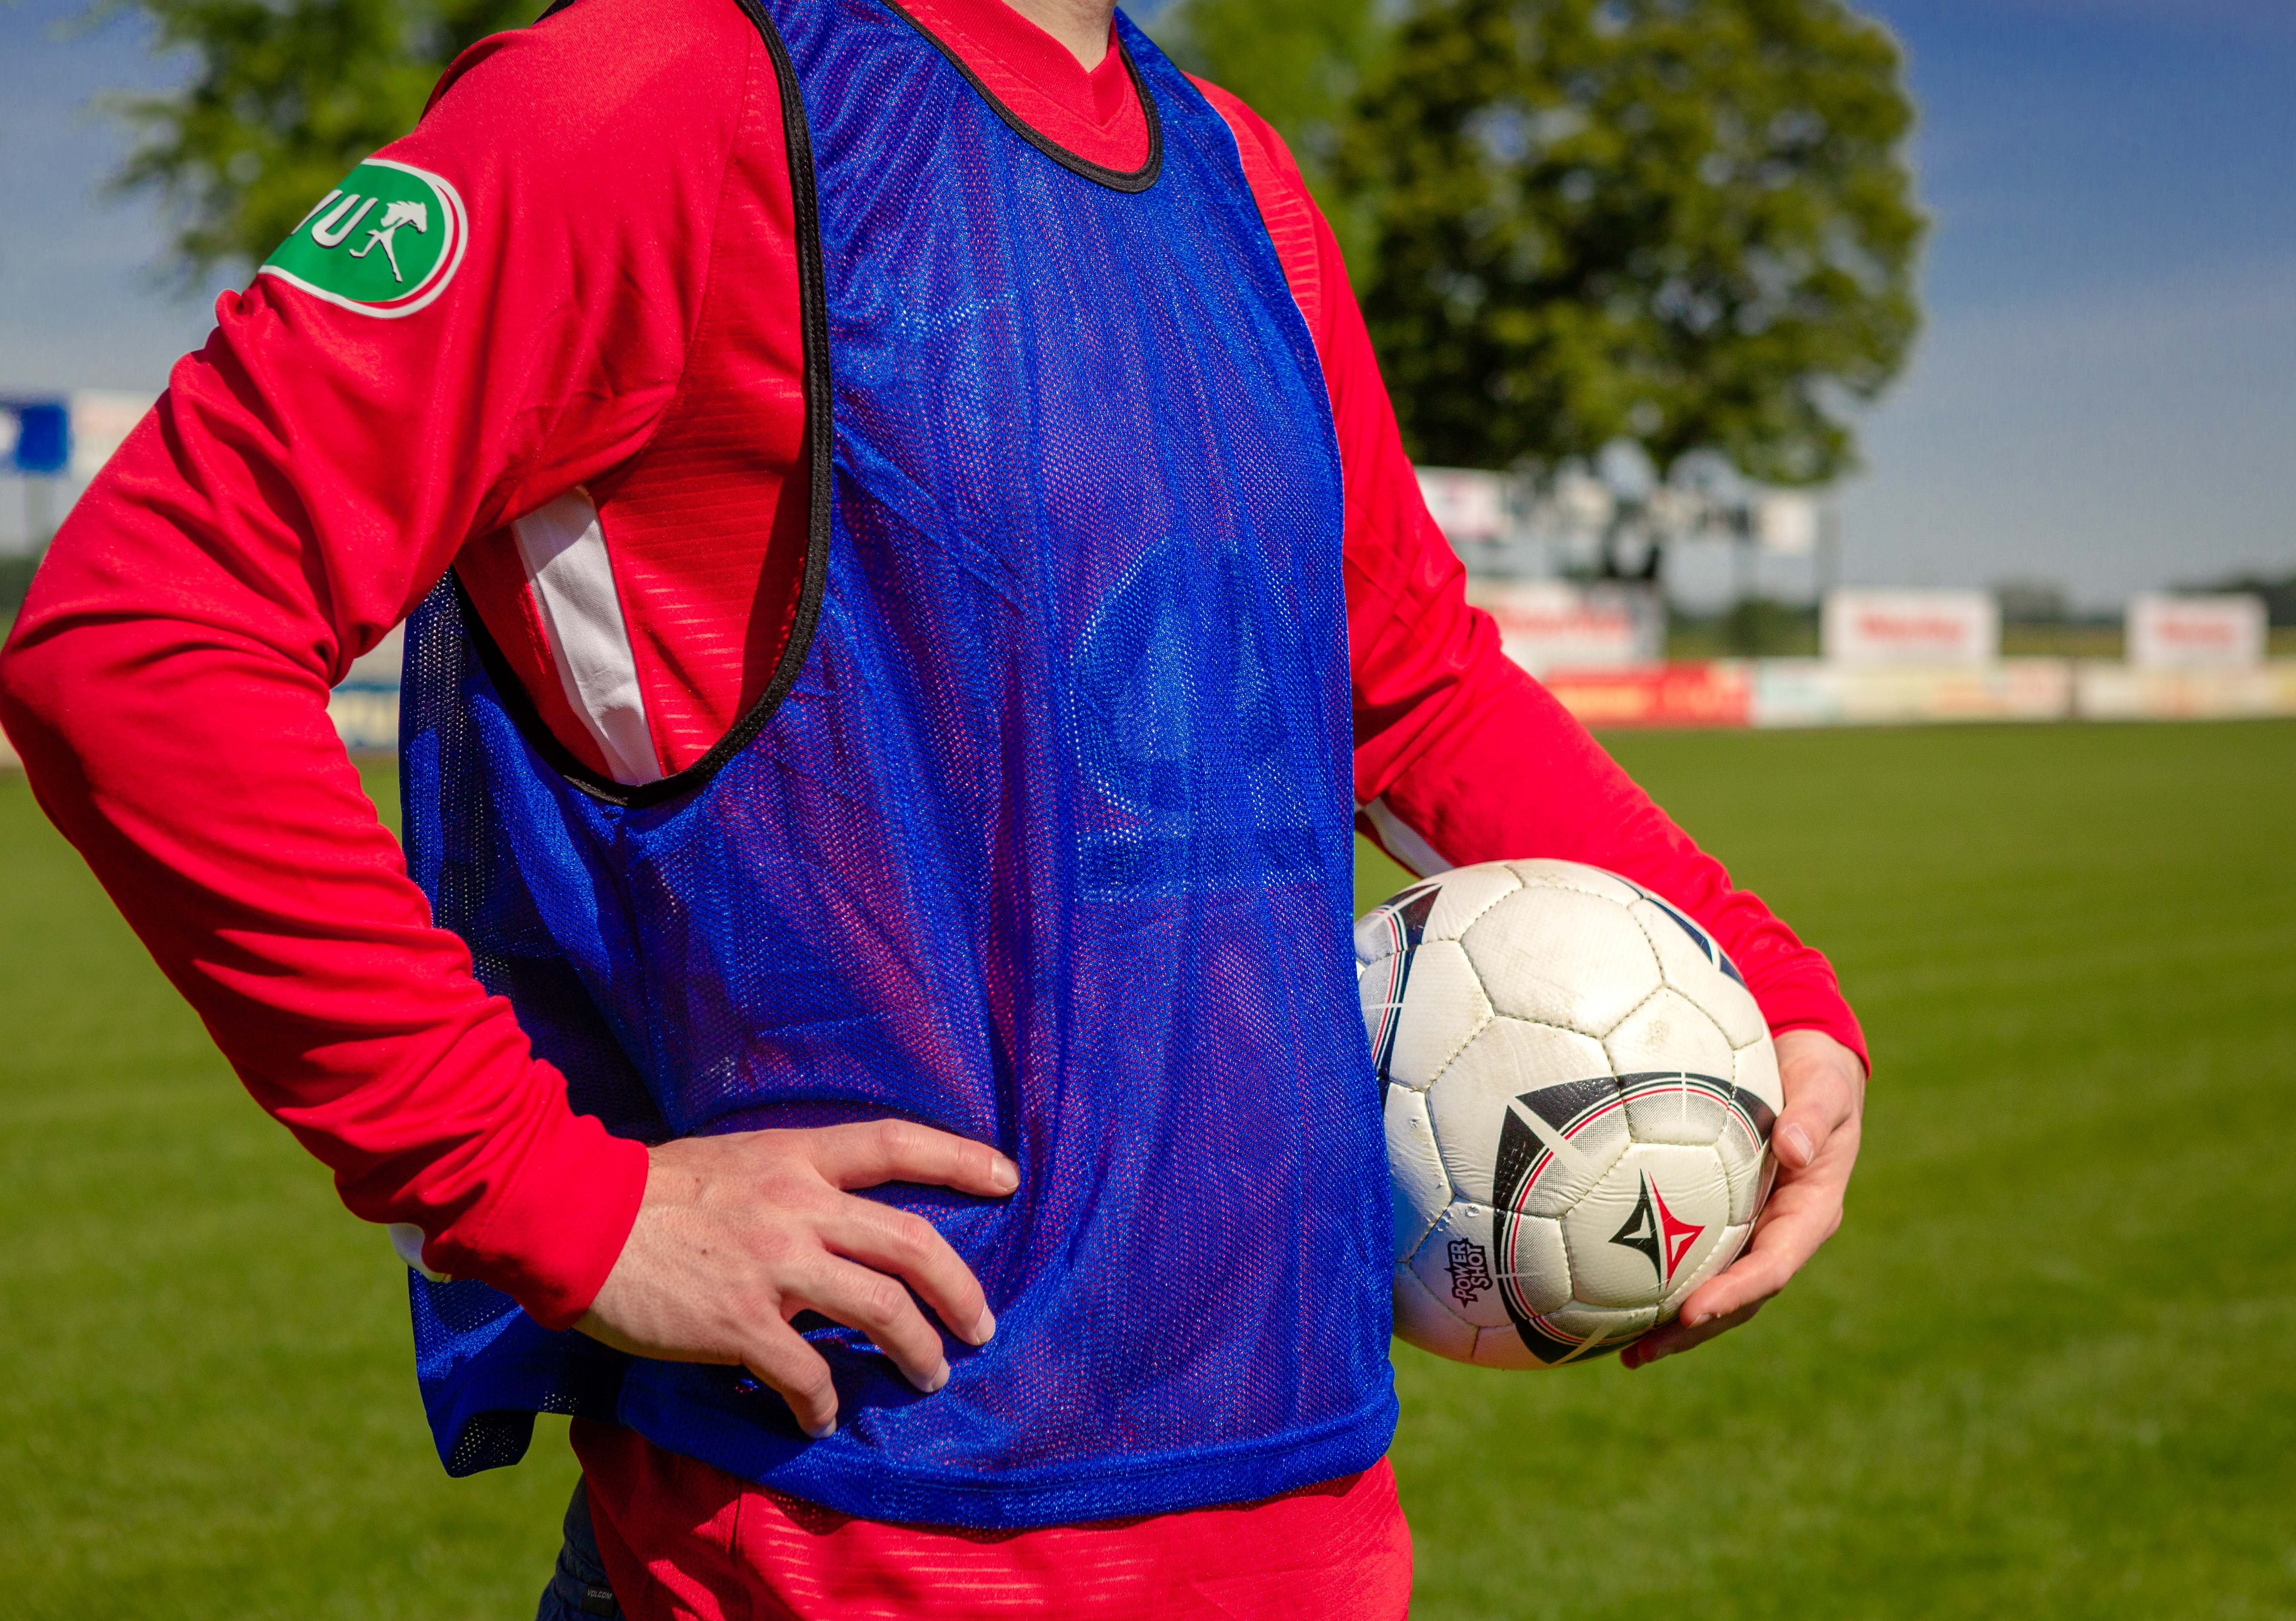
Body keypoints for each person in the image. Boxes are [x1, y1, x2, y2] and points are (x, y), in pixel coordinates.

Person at [0, 0, 1870, 1613]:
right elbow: (142, 632)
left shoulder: (1242, 182)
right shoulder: (658, 97)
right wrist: (544, 1186)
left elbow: (1411, 673)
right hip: (853, 1535)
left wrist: (1769, 989)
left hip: (1308, 1513)